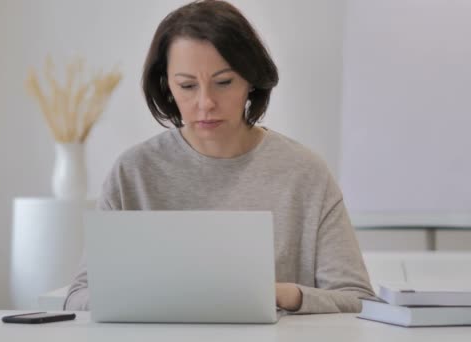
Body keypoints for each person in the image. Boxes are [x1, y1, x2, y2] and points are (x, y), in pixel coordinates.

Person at [65, 0, 374, 313]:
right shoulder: (133, 173)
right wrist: (152, 298)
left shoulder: (305, 174)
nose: (206, 102)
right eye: (187, 85)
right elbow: (79, 297)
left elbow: (358, 299)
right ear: (167, 85)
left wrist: (283, 294)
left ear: (250, 81)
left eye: (224, 82)